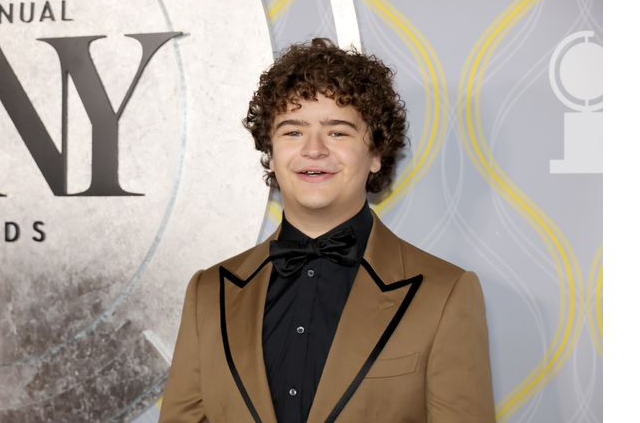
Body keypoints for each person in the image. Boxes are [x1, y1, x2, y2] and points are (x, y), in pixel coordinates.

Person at [159, 38, 494, 423]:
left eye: (337, 132)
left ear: (376, 154)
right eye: (292, 131)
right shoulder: (209, 291)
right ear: (270, 151)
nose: (313, 149)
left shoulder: (445, 295)